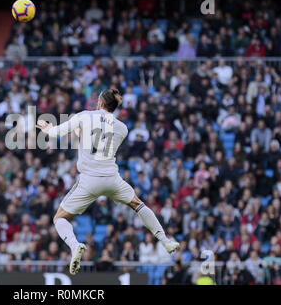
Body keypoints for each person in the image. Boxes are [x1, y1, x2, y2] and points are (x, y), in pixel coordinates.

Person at [36, 88, 179, 275]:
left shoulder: (84, 116)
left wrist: (47, 128)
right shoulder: (122, 128)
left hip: (89, 179)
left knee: (59, 218)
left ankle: (75, 246)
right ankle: (165, 241)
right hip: (112, 178)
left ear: (100, 103)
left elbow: (56, 134)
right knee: (138, 204)